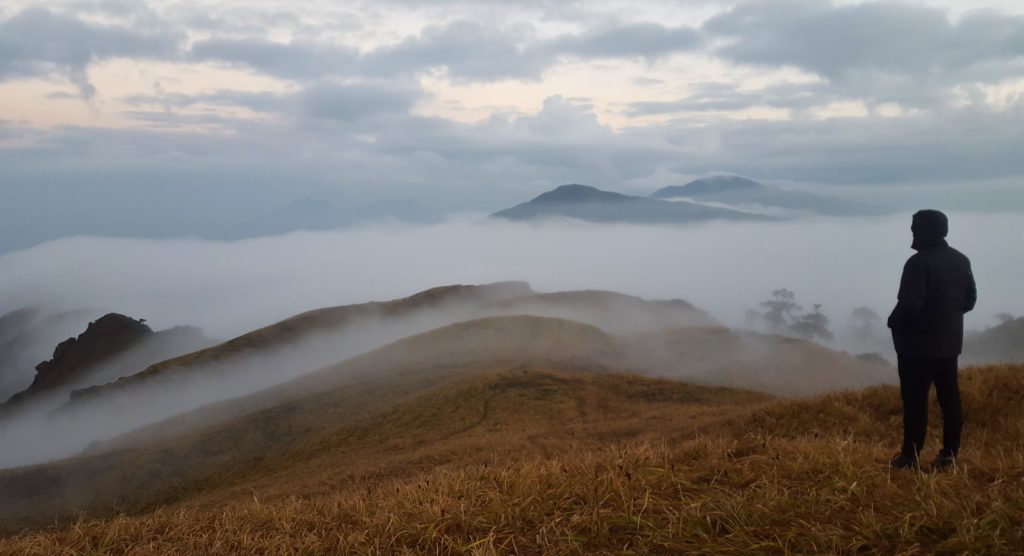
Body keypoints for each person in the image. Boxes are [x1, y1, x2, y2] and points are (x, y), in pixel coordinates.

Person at [887, 209, 976, 471]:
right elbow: (969, 300)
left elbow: (910, 305)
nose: (912, 231)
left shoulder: (918, 263)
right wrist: (945, 317)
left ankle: (909, 456)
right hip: (949, 344)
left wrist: (893, 322)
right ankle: (949, 454)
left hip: (917, 347)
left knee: (915, 401)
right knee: (950, 397)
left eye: (915, 227)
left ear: (924, 231)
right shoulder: (961, 260)